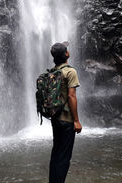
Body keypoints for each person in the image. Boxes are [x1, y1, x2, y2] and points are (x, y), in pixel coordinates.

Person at [49, 41, 82, 183]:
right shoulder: (70, 71)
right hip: (67, 120)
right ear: (67, 54)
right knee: (64, 158)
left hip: (55, 118)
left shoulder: (53, 72)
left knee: (56, 154)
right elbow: (71, 96)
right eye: (67, 49)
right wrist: (76, 120)